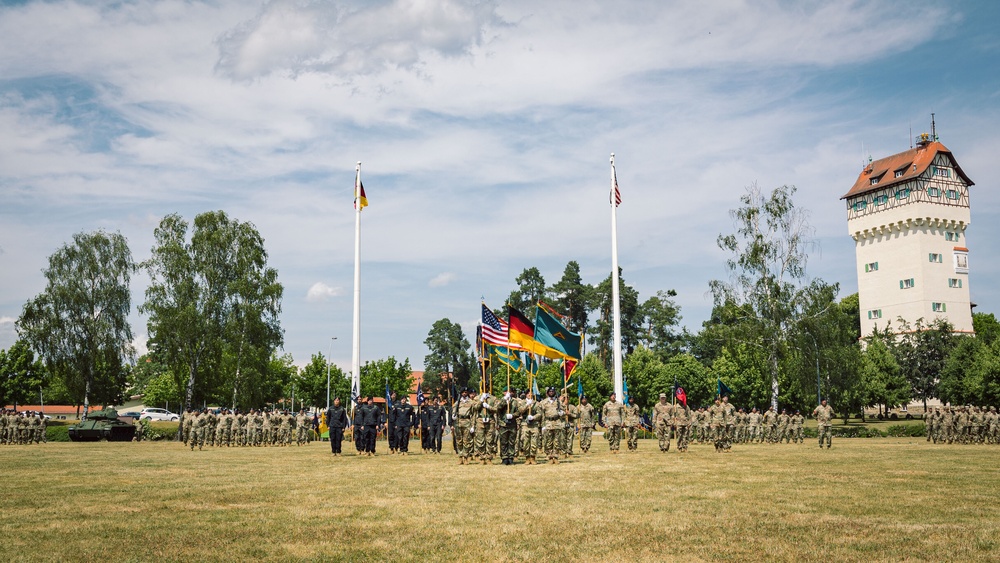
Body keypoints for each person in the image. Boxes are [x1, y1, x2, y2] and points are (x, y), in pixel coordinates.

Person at [496, 388, 520, 465]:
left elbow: (519, 412)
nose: (508, 393)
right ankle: (504, 457)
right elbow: (498, 408)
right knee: (503, 441)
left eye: (509, 392)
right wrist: (504, 401)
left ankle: (511, 457)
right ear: (504, 392)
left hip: (512, 424)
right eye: (506, 391)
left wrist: (512, 415)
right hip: (503, 424)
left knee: (512, 441)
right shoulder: (500, 400)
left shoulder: (515, 401)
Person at [519, 392, 544, 464]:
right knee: (525, 441)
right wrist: (527, 405)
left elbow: (539, 413)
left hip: (534, 424)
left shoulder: (537, 403)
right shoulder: (522, 402)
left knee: (534, 441)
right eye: (528, 394)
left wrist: (533, 417)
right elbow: (520, 410)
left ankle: (533, 457)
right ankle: (527, 457)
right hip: (525, 424)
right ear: (526, 395)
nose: (530, 395)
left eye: (531, 394)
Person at [541, 387, 564, 464]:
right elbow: (542, 414)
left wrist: (562, 413)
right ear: (547, 393)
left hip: (557, 422)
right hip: (548, 422)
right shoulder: (543, 402)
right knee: (548, 441)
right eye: (550, 391)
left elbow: (563, 411)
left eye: (552, 391)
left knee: (557, 441)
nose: (551, 392)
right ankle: (550, 457)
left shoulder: (558, 402)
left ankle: (556, 457)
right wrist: (542, 425)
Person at [453, 388, 476, 464]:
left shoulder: (471, 402)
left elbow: (473, 415)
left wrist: (473, 426)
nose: (464, 394)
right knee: (459, 441)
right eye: (463, 392)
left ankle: (465, 457)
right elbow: (453, 410)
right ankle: (460, 457)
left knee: (466, 441)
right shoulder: (458, 402)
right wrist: (453, 416)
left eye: (466, 392)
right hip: (459, 422)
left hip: (467, 422)